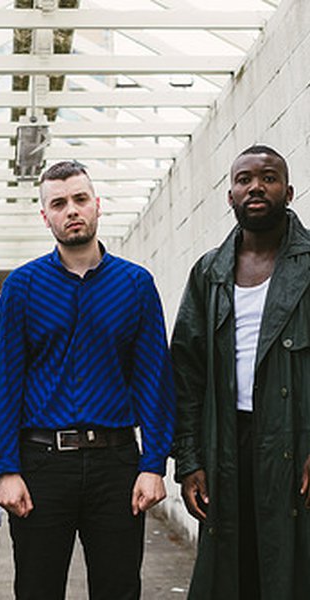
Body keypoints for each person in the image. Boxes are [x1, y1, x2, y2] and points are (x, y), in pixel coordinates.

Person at [0, 160, 175, 600]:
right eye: (59, 203)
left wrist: (153, 465)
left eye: (80, 199)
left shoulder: (135, 284)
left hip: (116, 465)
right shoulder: (23, 286)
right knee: (37, 589)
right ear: (45, 216)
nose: (71, 210)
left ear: (97, 205)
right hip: (42, 464)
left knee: (119, 589)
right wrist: (7, 469)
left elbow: (154, 379)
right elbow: (5, 383)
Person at [171, 145, 310, 599]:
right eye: (244, 179)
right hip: (227, 441)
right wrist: (190, 460)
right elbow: (186, 373)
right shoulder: (209, 272)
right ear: (230, 195)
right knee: (234, 567)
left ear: (288, 191)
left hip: (295, 439)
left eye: (268, 178)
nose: (256, 187)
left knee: (291, 567)